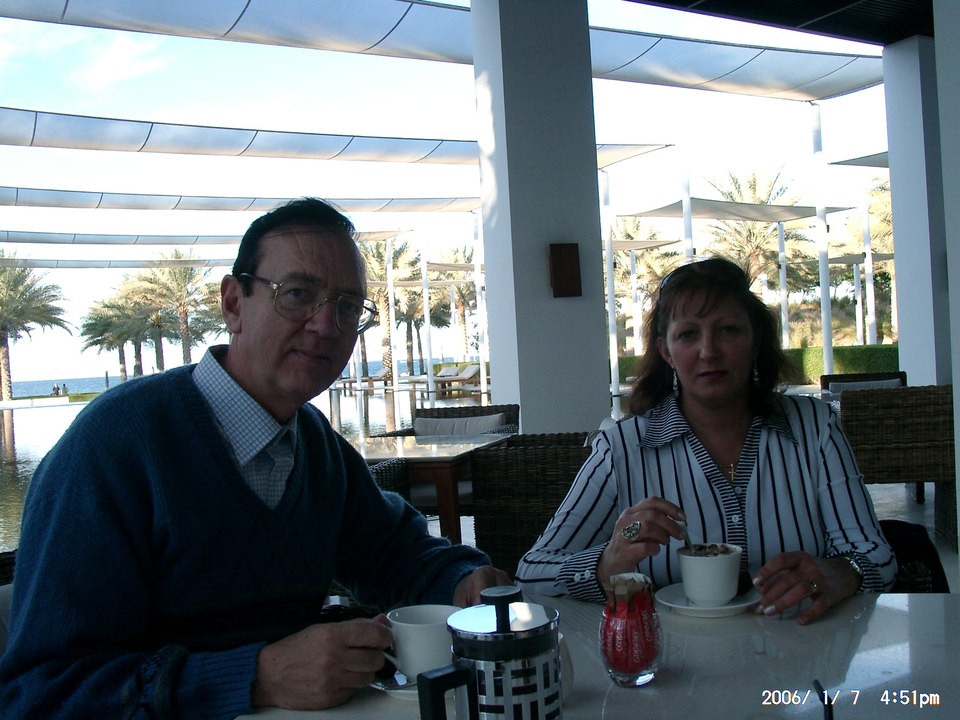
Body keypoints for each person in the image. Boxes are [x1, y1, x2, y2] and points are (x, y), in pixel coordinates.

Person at [0, 198, 510, 719]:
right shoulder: (114, 448)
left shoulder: (315, 446)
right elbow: (39, 692)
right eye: (298, 294)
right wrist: (255, 677)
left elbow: (392, 554)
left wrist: (462, 581)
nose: (326, 325)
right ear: (233, 304)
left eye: (348, 307)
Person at [516, 256, 896, 625]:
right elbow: (532, 571)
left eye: (728, 330)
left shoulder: (815, 427)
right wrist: (606, 564)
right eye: (688, 335)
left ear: (755, 339)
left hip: (801, 652)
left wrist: (842, 572)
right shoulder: (621, 449)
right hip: (671, 661)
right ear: (666, 352)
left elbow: (875, 554)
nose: (709, 351)